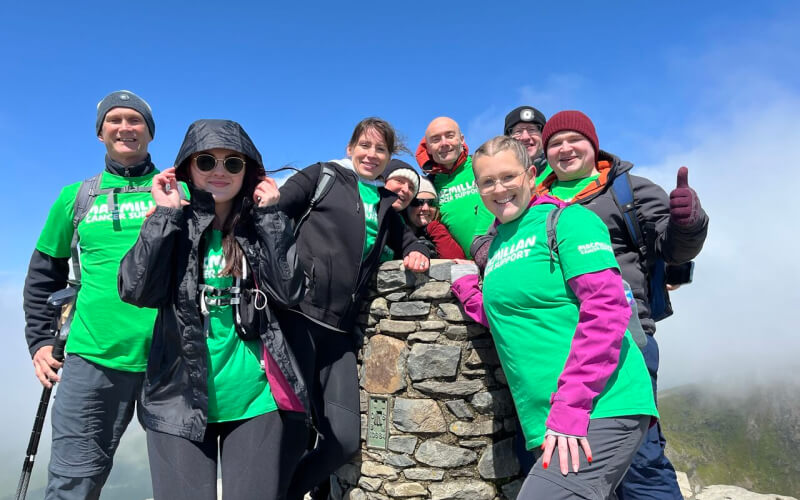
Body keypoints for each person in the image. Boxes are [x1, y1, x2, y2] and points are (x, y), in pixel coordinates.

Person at [451, 135, 659, 499]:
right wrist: (468, 287)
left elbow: (607, 309)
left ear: (531, 175)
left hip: (599, 407)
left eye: (508, 177)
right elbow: (504, 314)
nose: (499, 189)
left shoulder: (568, 221)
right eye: (487, 181)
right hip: (547, 420)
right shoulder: (498, 243)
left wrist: (571, 408)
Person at [118, 119, 307, 500]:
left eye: (232, 164)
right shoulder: (172, 223)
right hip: (177, 399)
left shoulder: (262, 225)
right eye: (206, 162)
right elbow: (135, 289)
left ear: (247, 172)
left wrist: (271, 217)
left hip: (255, 400)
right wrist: (166, 216)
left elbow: (290, 292)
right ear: (188, 168)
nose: (219, 172)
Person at [537, 111, 707, 500]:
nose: (565, 149)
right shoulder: (536, 199)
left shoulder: (627, 190)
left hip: (624, 339)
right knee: (573, 459)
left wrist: (688, 222)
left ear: (593, 144)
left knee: (640, 461)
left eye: (573, 139)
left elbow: (672, 248)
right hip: (557, 344)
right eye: (555, 143)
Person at [278, 117, 430, 500]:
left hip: (339, 332)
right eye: (365, 145)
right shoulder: (323, 176)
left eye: (380, 149)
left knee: (344, 441)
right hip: (296, 318)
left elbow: (411, 240)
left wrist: (414, 252)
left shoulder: (383, 203)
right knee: (290, 432)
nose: (371, 154)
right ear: (350, 148)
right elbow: (274, 210)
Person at [22, 90, 159, 499]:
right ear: (100, 133)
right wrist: (41, 341)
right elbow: (43, 274)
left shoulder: (176, 190)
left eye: (135, 120)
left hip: (169, 358)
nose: (124, 127)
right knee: (73, 482)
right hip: (91, 358)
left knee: (182, 480)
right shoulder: (76, 197)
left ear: (149, 132)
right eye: (114, 120)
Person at [415, 116, 494, 258]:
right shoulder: (428, 187)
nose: (444, 143)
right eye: (436, 139)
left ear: (462, 139)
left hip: (504, 256)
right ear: (428, 148)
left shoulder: (484, 165)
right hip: (465, 271)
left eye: (450, 136)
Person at [403, 178, 465, 259]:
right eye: (418, 202)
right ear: (407, 205)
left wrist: (434, 228)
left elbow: (457, 262)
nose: (426, 208)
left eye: (431, 202)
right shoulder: (394, 230)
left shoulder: (438, 229)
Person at [504, 105, 552, 180]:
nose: (525, 137)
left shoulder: (560, 171)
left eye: (532, 129)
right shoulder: (495, 176)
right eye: (518, 131)